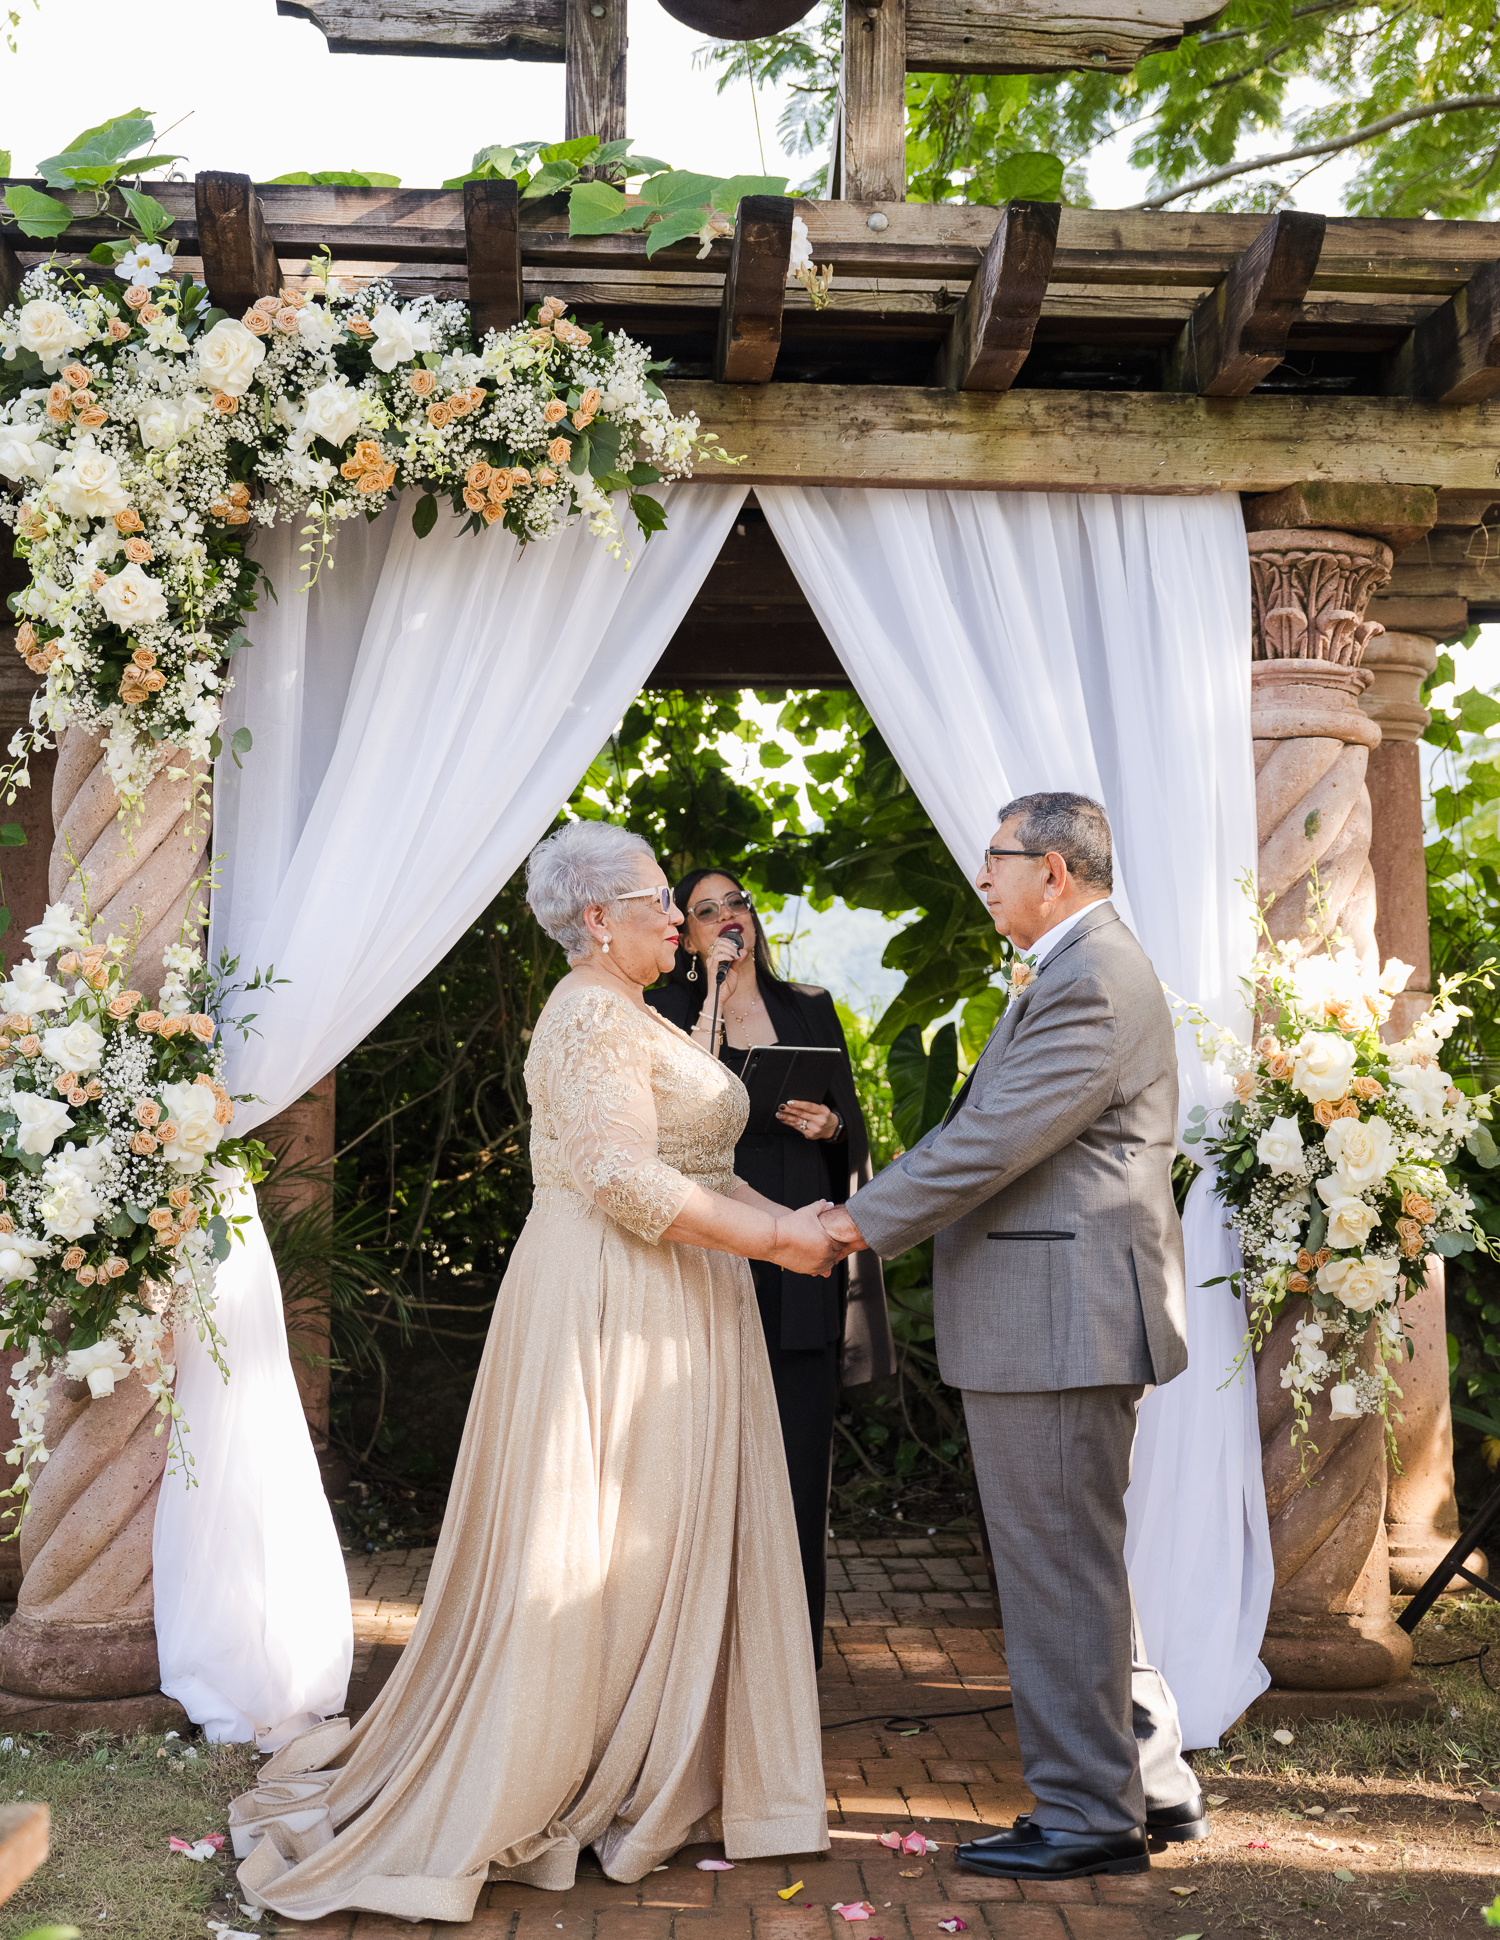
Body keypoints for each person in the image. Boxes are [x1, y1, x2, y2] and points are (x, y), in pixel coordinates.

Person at [232, 823, 837, 1925]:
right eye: (659, 899)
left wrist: (794, 1220)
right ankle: (561, 1765)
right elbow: (617, 1176)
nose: (678, 916)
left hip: (684, 1296)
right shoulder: (587, 1016)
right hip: (616, 1296)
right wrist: (775, 1245)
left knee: (661, 1539)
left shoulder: (635, 1011)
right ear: (597, 919)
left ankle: (647, 1759)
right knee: (598, 1537)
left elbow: (693, 1163)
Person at [819, 791, 1208, 1885]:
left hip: (1059, 1321)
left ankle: (1088, 1814)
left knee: (1056, 1571)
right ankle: (1154, 1781)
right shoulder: (1079, 966)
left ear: (1055, 870)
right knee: (1077, 1562)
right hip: (1062, 1313)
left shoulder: (1092, 979)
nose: (980, 877)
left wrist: (854, 1222)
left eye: (995, 859)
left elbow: (992, 1137)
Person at [651, 866, 894, 1660]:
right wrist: (711, 1000)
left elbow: (856, 1134)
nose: (729, 918)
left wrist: (828, 1128)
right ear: (684, 934)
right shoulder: (663, 1012)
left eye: (738, 904)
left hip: (798, 1258)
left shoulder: (809, 1009)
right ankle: (698, 1661)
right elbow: (660, 1129)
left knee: (795, 1465)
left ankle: (788, 1659)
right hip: (712, 1254)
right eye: (706, 910)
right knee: (701, 1468)